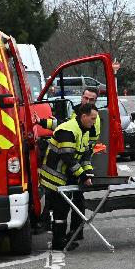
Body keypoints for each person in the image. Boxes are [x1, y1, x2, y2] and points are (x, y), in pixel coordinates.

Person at [39, 104, 99, 251]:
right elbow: (68, 157)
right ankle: (58, 242)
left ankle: (61, 239)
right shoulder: (68, 130)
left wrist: (89, 173)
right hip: (54, 177)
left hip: (65, 176)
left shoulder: (83, 130)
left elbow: (84, 156)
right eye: (92, 119)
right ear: (83, 116)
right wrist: (83, 176)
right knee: (61, 209)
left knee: (64, 209)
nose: (94, 122)